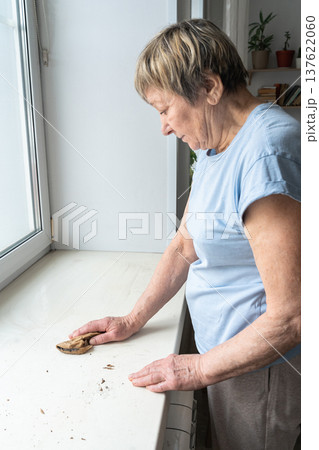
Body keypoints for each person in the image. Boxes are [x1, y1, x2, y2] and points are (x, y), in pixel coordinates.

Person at [69, 19, 301, 449]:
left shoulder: (267, 152)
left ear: (210, 88)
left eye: (164, 110)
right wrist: (131, 320)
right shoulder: (213, 146)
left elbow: (291, 316)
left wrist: (195, 370)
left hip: (261, 374)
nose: (164, 128)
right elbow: (184, 245)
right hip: (223, 358)